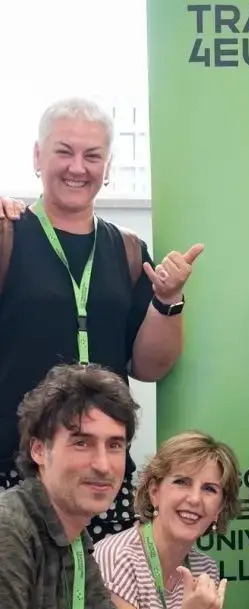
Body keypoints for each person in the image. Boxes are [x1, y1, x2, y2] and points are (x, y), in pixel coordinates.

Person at [0, 96, 204, 538]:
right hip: (14, 471)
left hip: (102, 474)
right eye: (64, 151)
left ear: (108, 166)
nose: (78, 167)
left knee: (104, 604)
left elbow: (149, 366)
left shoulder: (126, 250)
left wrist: (167, 299)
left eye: (92, 156)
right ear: (38, 157)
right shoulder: (8, 234)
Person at [0, 362, 183, 609]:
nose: (102, 465)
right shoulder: (9, 530)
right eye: (81, 442)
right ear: (39, 451)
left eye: (115, 446)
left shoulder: (75, 539)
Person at [81, 431, 241, 609]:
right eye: (182, 482)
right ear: (154, 492)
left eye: (209, 489)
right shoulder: (118, 555)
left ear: (219, 509)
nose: (195, 498)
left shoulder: (205, 568)